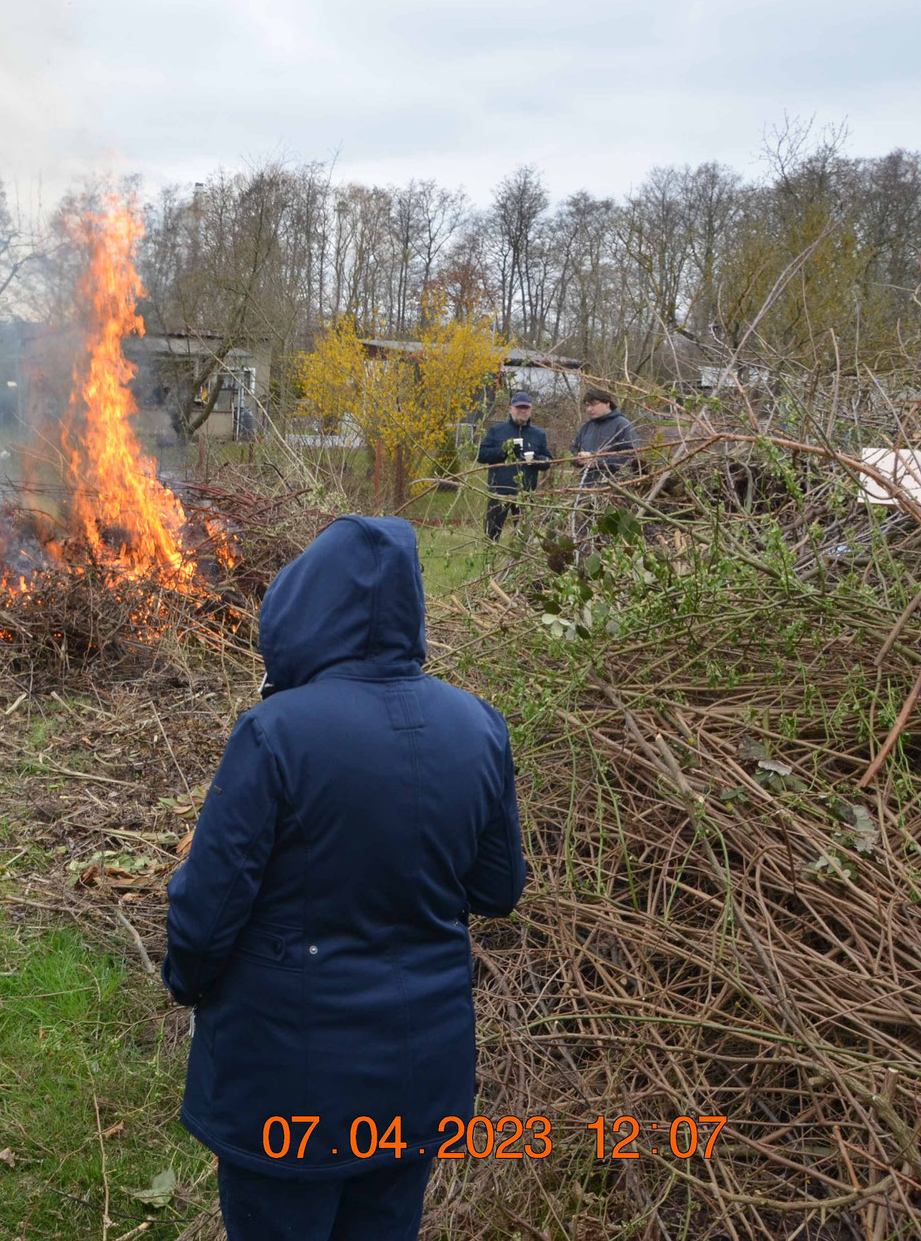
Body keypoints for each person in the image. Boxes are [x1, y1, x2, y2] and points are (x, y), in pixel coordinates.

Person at [163, 516, 527, 1241]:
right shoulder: (480, 726)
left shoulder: (276, 733)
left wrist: (188, 982)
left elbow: (207, 911)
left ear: (307, 609)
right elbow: (497, 890)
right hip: (419, 1078)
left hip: (287, 1087)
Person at [474, 391, 552, 541]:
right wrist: (504, 450)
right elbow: (482, 455)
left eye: (526, 408)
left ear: (531, 410)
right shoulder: (496, 431)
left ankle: (519, 563)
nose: (522, 411)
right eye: (519, 408)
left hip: (525, 494)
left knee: (523, 537)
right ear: (511, 409)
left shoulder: (538, 434)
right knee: (491, 535)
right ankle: (490, 563)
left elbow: (548, 461)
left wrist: (536, 459)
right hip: (499, 493)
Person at [571, 388, 639, 488]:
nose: (589, 409)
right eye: (587, 405)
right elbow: (573, 452)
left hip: (614, 488)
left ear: (607, 403)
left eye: (593, 404)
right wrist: (579, 459)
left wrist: (597, 462)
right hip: (585, 486)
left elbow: (630, 457)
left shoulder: (622, 425)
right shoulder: (585, 427)